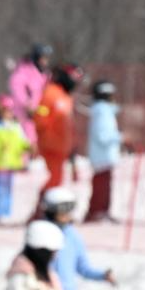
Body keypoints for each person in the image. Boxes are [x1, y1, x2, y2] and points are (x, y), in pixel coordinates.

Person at [42, 187, 116, 290]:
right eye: (62, 211)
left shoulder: (73, 237)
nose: (67, 215)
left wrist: (102, 275)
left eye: (69, 211)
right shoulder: (39, 234)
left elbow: (83, 267)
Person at [33, 63, 83, 212]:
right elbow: (40, 116)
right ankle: (41, 210)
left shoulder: (66, 97)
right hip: (50, 144)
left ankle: (49, 209)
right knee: (55, 178)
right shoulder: (51, 93)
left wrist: (72, 148)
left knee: (58, 179)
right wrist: (43, 135)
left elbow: (69, 124)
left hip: (62, 146)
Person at [0, 94, 30, 223]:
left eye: (10, 111)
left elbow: (21, 141)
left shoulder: (15, 127)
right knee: (0, 188)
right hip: (0, 161)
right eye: (5, 111)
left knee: (8, 188)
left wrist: (28, 147)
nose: (8, 114)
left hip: (12, 162)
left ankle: (6, 212)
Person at [85, 81, 123, 222]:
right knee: (101, 184)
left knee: (104, 183)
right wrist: (121, 137)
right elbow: (103, 135)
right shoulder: (102, 112)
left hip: (104, 155)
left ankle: (101, 211)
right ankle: (97, 211)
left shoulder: (104, 111)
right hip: (102, 155)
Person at [9, 44, 52, 147]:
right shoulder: (24, 71)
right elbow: (17, 87)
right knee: (26, 142)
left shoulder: (45, 74)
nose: (46, 60)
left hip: (40, 113)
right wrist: (27, 103)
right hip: (24, 114)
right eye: (44, 57)